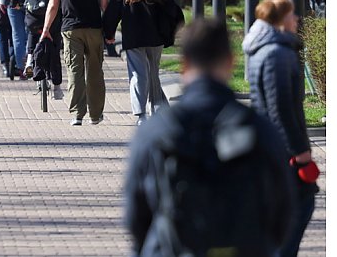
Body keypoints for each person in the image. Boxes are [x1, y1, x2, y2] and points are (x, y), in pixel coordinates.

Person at [124, 18, 295, 256]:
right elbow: (284, 208)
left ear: (184, 65)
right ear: (230, 62)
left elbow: (136, 215)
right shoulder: (259, 129)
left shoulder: (156, 131)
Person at [242, 0, 320, 257]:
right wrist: (300, 152)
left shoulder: (262, 49)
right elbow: (281, 109)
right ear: (279, 20)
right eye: (291, 14)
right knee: (299, 207)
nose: (296, 18)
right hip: (283, 151)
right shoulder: (277, 54)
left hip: (269, 146)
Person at [103, 0, 182, 126]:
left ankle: (141, 113)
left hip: (134, 38)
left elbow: (113, 12)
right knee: (153, 73)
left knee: (138, 74)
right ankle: (158, 109)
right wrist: (171, 32)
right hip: (155, 38)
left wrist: (108, 34)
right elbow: (173, 10)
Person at [41, 0, 109, 126]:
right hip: (94, 28)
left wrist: (46, 29)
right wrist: (109, 29)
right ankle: (95, 115)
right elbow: (105, 4)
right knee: (95, 72)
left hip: (70, 29)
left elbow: (53, 5)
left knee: (74, 71)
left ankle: (77, 114)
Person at [11, 0, 64, 100]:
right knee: (55, 47)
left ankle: (29, 61)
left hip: (33, 17)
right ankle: (57, 88)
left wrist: (16, 4)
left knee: (32, 34)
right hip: (52, 17)